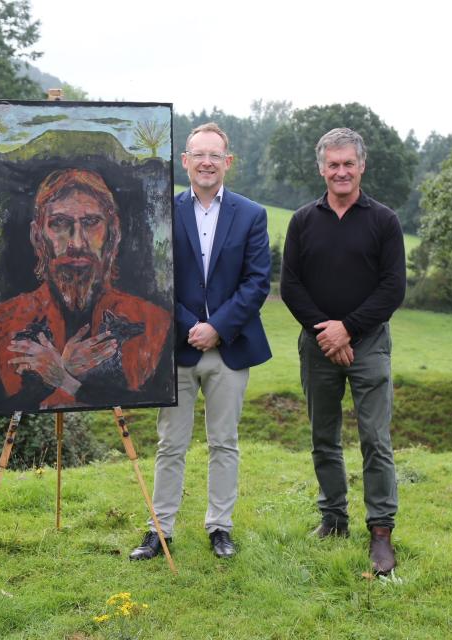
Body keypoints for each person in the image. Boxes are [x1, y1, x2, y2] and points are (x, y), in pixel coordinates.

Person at [130, 122, 271, 561]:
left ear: (227, 162)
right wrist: (191, 323)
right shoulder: (162, 211)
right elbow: (153, 279)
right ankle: (160, 530)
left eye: (215, 155)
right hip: (176, 345)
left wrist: (218, 327)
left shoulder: (251, 214)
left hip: (230, 347)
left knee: (223, 442)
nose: (207, 162)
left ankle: (219, 528)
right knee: (171, 443)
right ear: (185, 161)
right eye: (198, 154)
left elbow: (257, 281)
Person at [279, 127, 406, 575]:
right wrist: (324, 334)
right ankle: (333, 519)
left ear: (362, 166)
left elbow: (393, 288)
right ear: (321, 169)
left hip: (368, 344)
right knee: (323, 438)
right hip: (317, 346)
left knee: (375, 439)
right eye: (333, 164)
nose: (341, 171)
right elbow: (290, 285)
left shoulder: (384, 221)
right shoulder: (302, 221)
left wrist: (347, 330)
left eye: (348, 163)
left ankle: (381, 534)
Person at [0, 168, 171, 412]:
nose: (77, 243)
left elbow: (149, 401)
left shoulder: (155, 324)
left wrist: (63, 376)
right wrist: (65, 372)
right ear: (38, 237)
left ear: (113, 235)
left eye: (91, 223)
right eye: (59, 223)